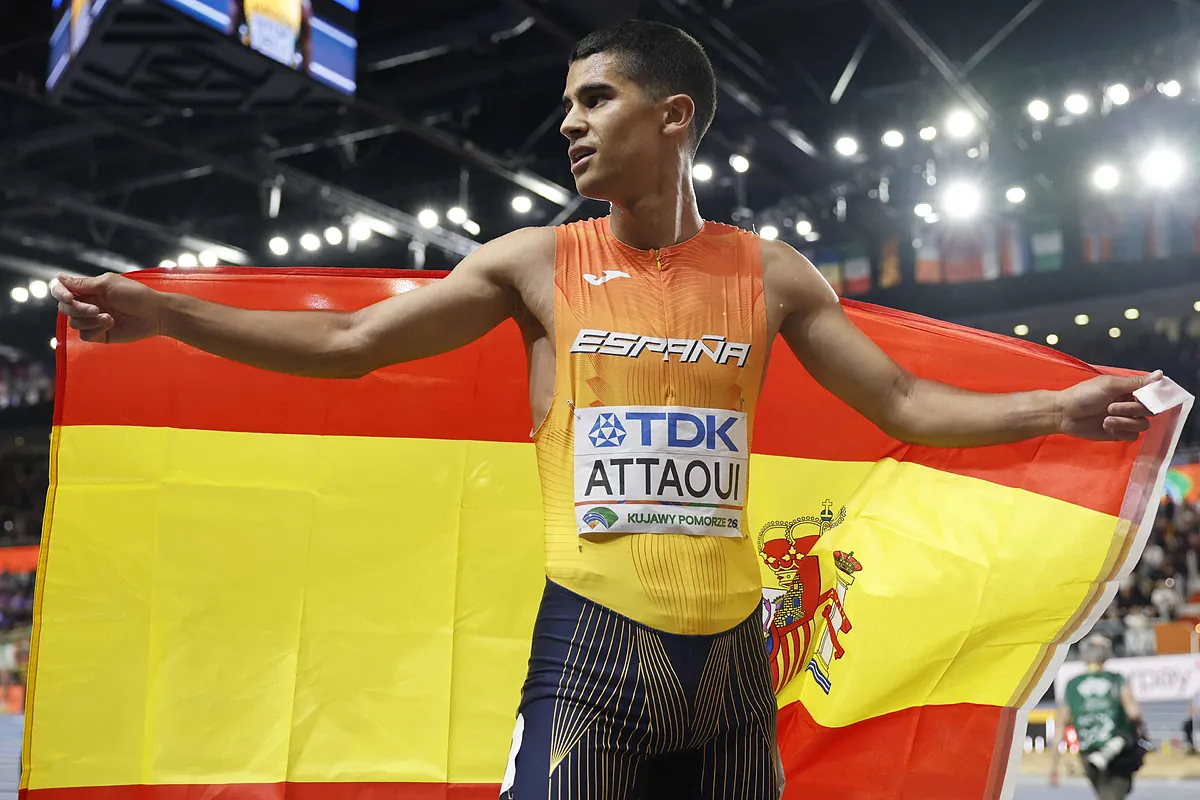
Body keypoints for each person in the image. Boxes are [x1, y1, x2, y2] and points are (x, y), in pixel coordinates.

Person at [52, 20, 1161, 800]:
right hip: (590, 647)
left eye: (596, 99)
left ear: (674, 115)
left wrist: (1059, 402)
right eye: (568, 105)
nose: (571, 125)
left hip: (732, 667)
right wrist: (169, 313)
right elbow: (349, 345)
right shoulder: (535, 264)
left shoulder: (772, 275)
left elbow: (907, 402)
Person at [1049, 636, 1144, 799]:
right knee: (1114, 794)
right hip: (1119, 750)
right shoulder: (1116, 679)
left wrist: (1054, 765)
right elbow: (1133, 713)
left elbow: (1059, 725)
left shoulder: (1072, 685)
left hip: (1087, 750)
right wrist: (1138, 732)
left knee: (1105, 794)